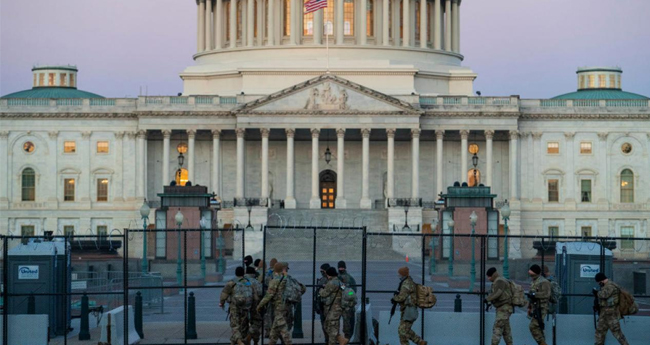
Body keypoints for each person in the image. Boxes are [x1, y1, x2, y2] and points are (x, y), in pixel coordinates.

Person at [257, 262, 291, 345]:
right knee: (274, 332)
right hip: (286, 305)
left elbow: (268, 295)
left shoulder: (275, 280)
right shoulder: (287, 278)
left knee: (283, 329)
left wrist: (259, 305)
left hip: (278, 307)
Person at [392, 267, 427, 345]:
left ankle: (414, 342)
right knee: (406, 329)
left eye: (399, 274)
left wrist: (395, 299)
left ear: (403, 274)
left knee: (402, 331)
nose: (398, 275)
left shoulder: (406, 283)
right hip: (407, 310)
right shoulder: (408, 281)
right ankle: (420, 342)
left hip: (409, 310)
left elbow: (402, 297)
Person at [594, 273, 629, 345]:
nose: (599, 284)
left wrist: (596, 293)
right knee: (599, 332)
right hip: (604, 313)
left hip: (611, 313)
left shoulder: (610, 286)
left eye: (599, 282)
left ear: (601, 280)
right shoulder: (607, 286)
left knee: (617, 332)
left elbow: (605, 295)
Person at [219, 267, 251, 345]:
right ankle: (238, 341)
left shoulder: (231, 283)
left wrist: (221, 303)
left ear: (236, 273)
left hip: (235, 307)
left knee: (235, 326)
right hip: (246, 307)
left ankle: (240, 342)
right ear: (243, 273)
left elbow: (224, 294)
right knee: (243, 327)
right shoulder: (248, 282)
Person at [319, 267, 348, 345]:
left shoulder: (331, 283)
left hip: (333, 309)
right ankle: (341, 339)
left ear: (329, 275)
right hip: (337, 309)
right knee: (328, 326)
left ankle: (335, 342)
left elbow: (324, 294)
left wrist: (321, 289)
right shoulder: (340, 283)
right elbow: (345, 290)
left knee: (332, 329)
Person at [485, 267, 513, 345]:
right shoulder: (500, 280)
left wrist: (487, 299)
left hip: (504, 308)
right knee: (506, 331)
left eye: (489, 276)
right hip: (504, 308)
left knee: (497, 327)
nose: (488, 278)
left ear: (492, 275)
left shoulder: (500, 281)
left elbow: (498, 293)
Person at [527, 264, 551, 345]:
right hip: (535, 307)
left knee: (533, 326)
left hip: (542, 308)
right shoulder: (534, 281)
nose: (530, 275)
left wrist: (535, 295)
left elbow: (546, 294)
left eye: (531, 273)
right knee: (539, 328)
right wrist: (529, 307)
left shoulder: (544, 282)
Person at [281, 262, 306, 332]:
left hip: (278, 305)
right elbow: (302, 288)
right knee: (287, 325)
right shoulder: (290, 279)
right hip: (288, 304)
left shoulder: (275, 278)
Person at [337, 261, 357, 339]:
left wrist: (345, 294)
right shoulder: (349, 278)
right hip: (345, 305)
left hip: (343, 305)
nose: (341, 269)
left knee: (347, 325)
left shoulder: (339, 278)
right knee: (348, 325)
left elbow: (353, 292)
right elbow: (353, 291)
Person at [246, 266, 264, 345]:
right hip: (255, 306)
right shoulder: (256, 282)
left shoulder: (242, 281)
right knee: (257, 322)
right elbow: (261, 293)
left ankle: (246, 338)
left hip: (243, 307)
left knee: (244, 324)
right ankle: (254, 339)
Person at [263, 258, 278, 336]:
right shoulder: (278, 273)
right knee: (276, 314)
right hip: (277, 296)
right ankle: (275, 331)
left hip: (268, 295)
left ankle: (268, 331)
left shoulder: (266, 272)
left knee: (267, 314)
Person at [316, 263, 331, 343]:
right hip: (322, 306)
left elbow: (345, 289)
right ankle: (327, 339)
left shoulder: (335, 280)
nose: (321, 272)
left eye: (323, 271)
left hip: (330, 306)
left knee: (331, 326)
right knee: (324, 325)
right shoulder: (322, 280)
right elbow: (317, 293)